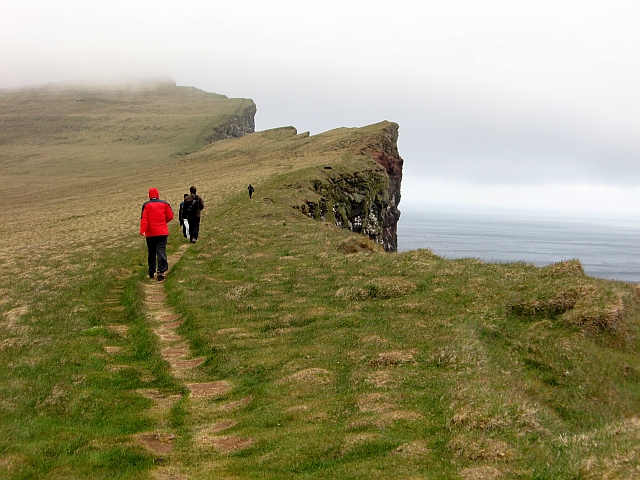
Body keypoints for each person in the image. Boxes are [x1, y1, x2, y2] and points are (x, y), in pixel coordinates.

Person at [140, 188, 174, 281]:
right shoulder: (165, 204)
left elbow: (144, 219)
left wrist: (142, 230)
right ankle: (161, 270)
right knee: (161, 249)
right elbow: (170, 216)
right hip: (162, 231)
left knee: (151, 251)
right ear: (158, 194)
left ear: (149, 195)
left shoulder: (146, 205)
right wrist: (164, 222)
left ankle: (151, 271)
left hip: (150, 233)